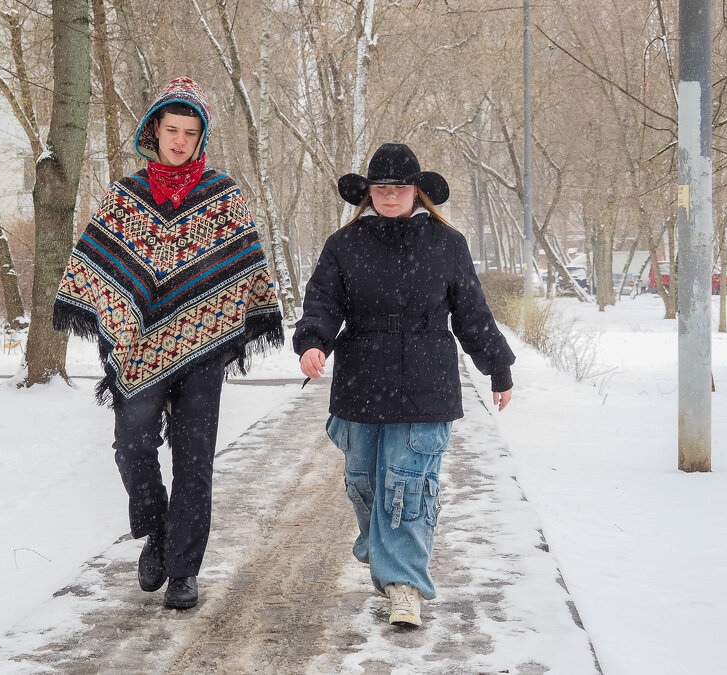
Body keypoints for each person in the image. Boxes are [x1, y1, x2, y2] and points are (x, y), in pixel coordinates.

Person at [53, 77, 283, 610]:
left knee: (195, 460)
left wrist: (227, 323)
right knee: (132, 445)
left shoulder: (222, 196)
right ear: (153, 131)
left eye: (190, 131)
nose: (179, 140)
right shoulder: (123, 197)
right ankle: (155, 527)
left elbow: (246, 269)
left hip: (203, 350)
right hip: (137, 351)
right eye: (171, 129)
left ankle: (183, 570)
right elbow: (93, 267)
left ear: (201, 137)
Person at [292, 143, 515, 627]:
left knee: (409, 486)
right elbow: (324, 303)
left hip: (426, 379)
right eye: (380, 187)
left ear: (417, 191)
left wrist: (497, 365)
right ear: (368, 191)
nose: (390, 195)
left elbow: (472, 314)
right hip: (361, 379)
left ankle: (405, 585)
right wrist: (313, 343)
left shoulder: (447, 243)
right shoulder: (343, 244)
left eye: (399, 187)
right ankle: (382, 549)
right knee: (365, 483)